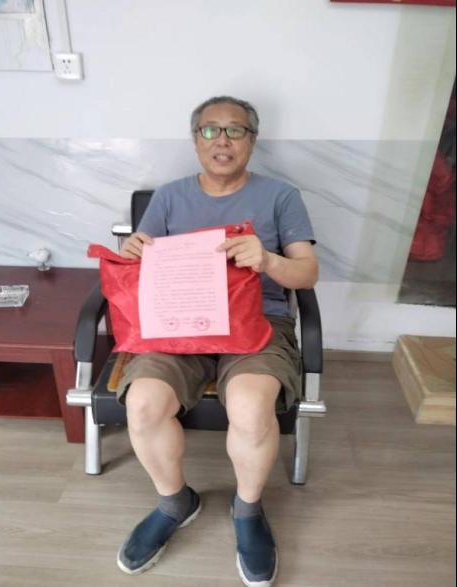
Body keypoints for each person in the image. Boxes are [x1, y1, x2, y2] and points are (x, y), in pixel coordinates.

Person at [116, 96, 318, 587]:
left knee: (250, 406)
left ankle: (247, 510)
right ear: (195, 140)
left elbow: (307, 274)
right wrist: (132, 252)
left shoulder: (281, 196)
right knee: (142, 403)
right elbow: (140, 269)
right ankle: (174, 502)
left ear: (252, 140)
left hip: (258, 322)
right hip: (178, 324)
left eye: (235, 130)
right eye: (210, 130)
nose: (222, 140)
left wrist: (268, 260)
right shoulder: (169, 197)